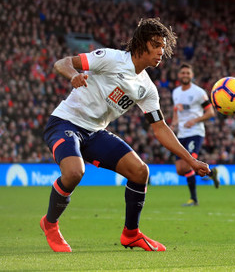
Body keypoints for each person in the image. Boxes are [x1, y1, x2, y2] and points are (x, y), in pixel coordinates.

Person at [40, 18, 212, 252]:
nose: (162, 51)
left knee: (140, 172)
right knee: (74, 172)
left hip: (95, 132)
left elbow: (160, 128)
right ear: (142, 44)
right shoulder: (111, 58)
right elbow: (63, 62)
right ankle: (50, 224)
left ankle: (131, 234)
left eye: (164, 46)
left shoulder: (147, 88)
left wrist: (191, 160)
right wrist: (73, 75)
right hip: (64, 122)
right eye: (157, 45)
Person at [171, 63, 219, 207]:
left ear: (192, 75)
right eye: (183, 73)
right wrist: (174, 123)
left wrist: (195, 120)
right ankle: (211, 173)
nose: (185, 75)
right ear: (179, 75)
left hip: (195, 133)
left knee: (187, 166)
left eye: (188, 73)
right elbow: (176, 110)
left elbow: (210, 112)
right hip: (181, 134)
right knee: (180, 170)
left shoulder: (199, 92)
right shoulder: (176, 92)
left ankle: (194, 200)